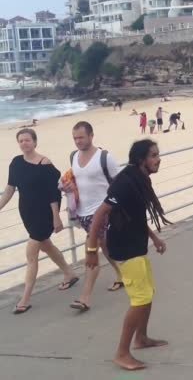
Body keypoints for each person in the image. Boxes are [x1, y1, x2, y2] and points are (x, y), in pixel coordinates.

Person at [86, 139, 171, 371]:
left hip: (137, 244)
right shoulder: (125, 182)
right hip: (125, 247)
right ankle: (122, 353)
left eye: (158, 154)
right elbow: (100, 214)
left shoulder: (140, 178)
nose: (158, 159)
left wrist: (154, 238)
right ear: (141, 159)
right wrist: (91, 250)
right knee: (140, 298)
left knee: (147, 293)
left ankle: (141, 338)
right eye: (153, 155)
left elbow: (136, 215)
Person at [0, 129, 78, 314]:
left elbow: (53, 194)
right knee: (47, 245)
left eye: (27, 140)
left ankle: (25, 299)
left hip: (44, 214)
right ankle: (70, 273)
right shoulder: (16, 163)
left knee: (31, 254)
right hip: (27, 213)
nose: (24, 143)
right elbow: (9, 190)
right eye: (21, 140)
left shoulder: (45, 164)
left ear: (35, 142)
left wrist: (56, 217)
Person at [63, 122, 124, 312]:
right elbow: (76, 180)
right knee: (106, 248)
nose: (78, 141)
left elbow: (120, 184)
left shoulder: (105, 158)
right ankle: (124, 275)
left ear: (91, 136)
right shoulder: (73, 156)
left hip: (102, 212)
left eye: (81, 137)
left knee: (91, 253)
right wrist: (69, 189)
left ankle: (85, 298)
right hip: (83, 213)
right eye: (75, 138)